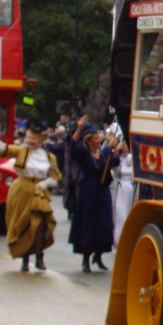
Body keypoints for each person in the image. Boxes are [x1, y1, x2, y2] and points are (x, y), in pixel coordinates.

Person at [0, 123, 61, 272]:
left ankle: (39, 256)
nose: (30, 140)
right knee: (22, 223)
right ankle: (25, 258)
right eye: (29, 137)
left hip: (39, 192)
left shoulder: (49, 157)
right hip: (21, 190)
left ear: (41, 140)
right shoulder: (21, 151)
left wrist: (46, 183)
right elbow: (4, 149)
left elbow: (55, 177)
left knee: (40, 224)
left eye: (34, 138)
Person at [68, 117, 115, 273]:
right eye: (95, 138)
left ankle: (99, 255)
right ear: (89, 141)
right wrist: (79, 128)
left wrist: (115, 146)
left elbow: (114, 161)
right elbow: (73, 145)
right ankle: (86, 259)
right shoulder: (84, 154)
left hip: (102, 192)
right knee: (89, 225)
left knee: (104, 224)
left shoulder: (102, 154)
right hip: (89, 193)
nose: (98, 140)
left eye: (99, 138)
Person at [111, 138, 134, 247]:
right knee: (119, 213)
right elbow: (115, 173)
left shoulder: (131, 158)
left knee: (126, 212)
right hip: (120, 186)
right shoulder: (120, 159)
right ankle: (118, 238)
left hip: (129, 186)